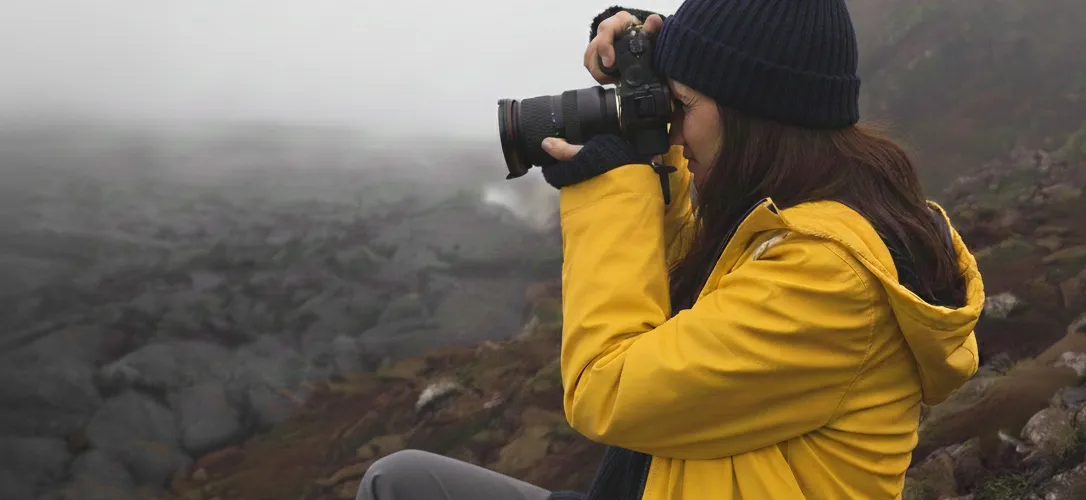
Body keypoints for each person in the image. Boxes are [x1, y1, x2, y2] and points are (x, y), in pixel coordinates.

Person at [356, 0, 985, 499]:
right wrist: (656, 115)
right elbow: (688, 285)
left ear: (753, 114)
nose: (674, 133)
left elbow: (606, 389)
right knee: (401, 480)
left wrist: (613, 188)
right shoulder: (799, 211)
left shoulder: (833, 277)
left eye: (680, 105)